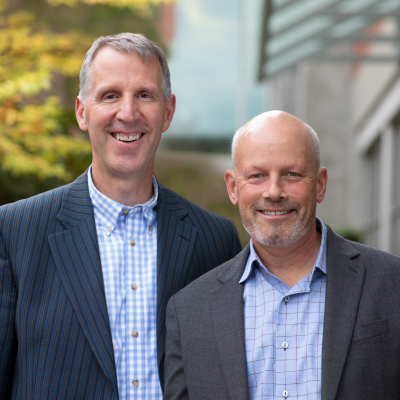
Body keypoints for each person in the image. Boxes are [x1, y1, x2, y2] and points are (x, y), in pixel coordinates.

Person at [0, 33, 241, 400]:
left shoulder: (214, 239)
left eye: (144, 95)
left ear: (168, 112)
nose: (128, 113)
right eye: (110, 95)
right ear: (82, 112)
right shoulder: (15, 230)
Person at [164, 110, 400, 400]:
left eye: (292, 174)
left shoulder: (392, 283)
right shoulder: (189, 312)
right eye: (257, 176)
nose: (274, 191)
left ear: (320, 184)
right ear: (233, 187)